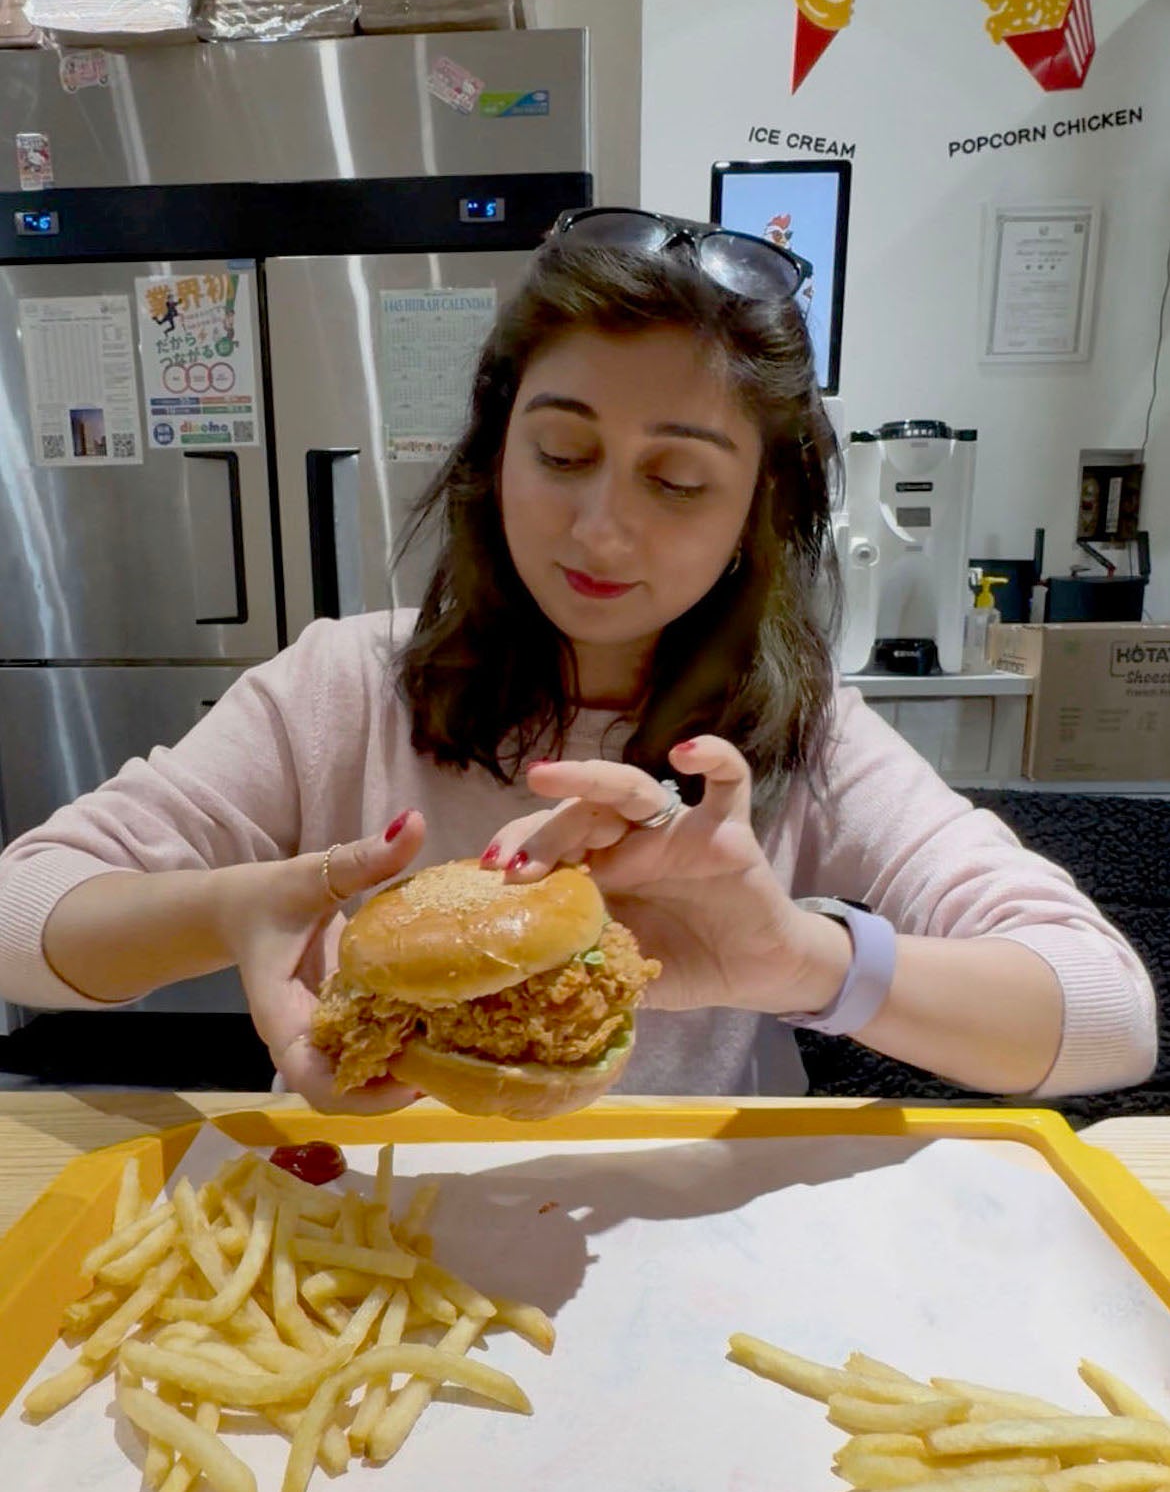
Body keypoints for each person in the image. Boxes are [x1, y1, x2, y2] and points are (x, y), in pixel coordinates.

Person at [0, 208, 1155, 1111]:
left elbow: (1109, 1013)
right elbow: (21, 911)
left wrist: (799, 961)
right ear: (494, 452)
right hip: (356, 1223)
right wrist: (235, 908)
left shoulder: (804, 737)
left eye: (677, 479)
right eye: (560, 452)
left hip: (680, 1267)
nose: (600, 528)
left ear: (763, 503)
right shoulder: (341, 686)